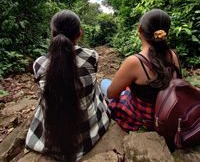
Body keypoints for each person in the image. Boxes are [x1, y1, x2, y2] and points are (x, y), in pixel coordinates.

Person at [26, 10, 110, 162]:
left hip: (51, 138)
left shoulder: (39, 63)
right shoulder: (92, 56)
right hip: (88, 131)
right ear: (79, 33)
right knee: (96, 85)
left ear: (53, 33)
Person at [101, 9, 181, 132]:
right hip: (168, 113)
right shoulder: (173, 55)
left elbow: (111, 94)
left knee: (104, 83)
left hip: (148, 119)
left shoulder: (135, 61)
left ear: (140, 29)